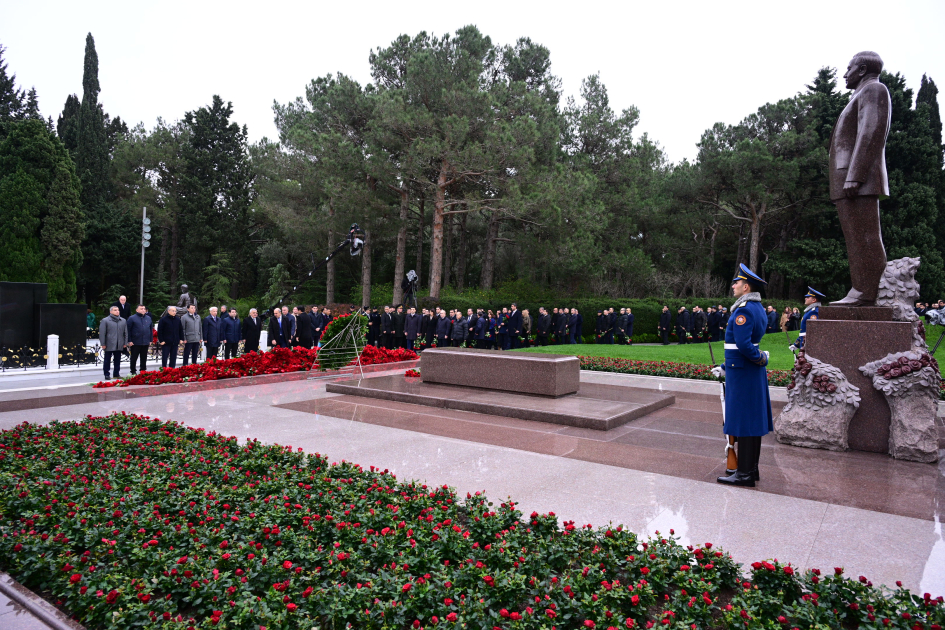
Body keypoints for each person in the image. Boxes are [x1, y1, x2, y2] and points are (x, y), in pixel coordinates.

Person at [829, 51, 890, 307]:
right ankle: (861, 289)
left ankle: (867, 292)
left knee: (864, 236)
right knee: (855, 237)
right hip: (849, 180)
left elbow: (871, 132)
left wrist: (855, 176)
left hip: (857, 181)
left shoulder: (874, 90)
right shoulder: (860, 94)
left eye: (849, 68)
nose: (845, 73)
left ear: (862, 69)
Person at [713, 263, 772, 488]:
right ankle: (751, 469)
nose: (733, 286)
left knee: (745, 423)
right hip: (744, 370)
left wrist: (761, 358)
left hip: (744, 372)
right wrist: (725, 365)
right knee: (752, 422)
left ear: (746, 287)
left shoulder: (744, 310)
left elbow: (744, 345)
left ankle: (744, 474)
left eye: (736, 282)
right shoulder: (757, 308)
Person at [790, 287, 825, 352]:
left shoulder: (814, 312)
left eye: (808, 297)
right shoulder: (810, 311)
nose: (805, 298)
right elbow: (804, 332)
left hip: (808, 344)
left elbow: (812, 331)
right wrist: (796, 344)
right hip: (804, 342)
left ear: (814, 300)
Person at [100, 306, 128, 380]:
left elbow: (125, 333)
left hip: (119, 343)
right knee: (107, 360)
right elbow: (102, 333)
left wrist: (125, 343)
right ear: (111, 312)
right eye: (115, 310)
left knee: (117, 360)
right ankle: (106, 374)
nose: (117, 311)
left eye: (118, 310)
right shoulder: (105, 320)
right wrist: (103, 344)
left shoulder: (123, 320)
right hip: (109, 343)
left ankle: (116, 373)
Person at [126, 304, 153, 375]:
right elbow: (128, 330)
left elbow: (150, 329)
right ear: (137, 310)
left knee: (144, 357)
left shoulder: (148, 318)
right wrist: (129, 340)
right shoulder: (132, 318)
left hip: (145, 341)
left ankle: (143, 370)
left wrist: (150, 340)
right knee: (134, 357)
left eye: (144, 309)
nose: (143, 310)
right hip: (135, 341)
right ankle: (133, 370)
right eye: (141, 309)